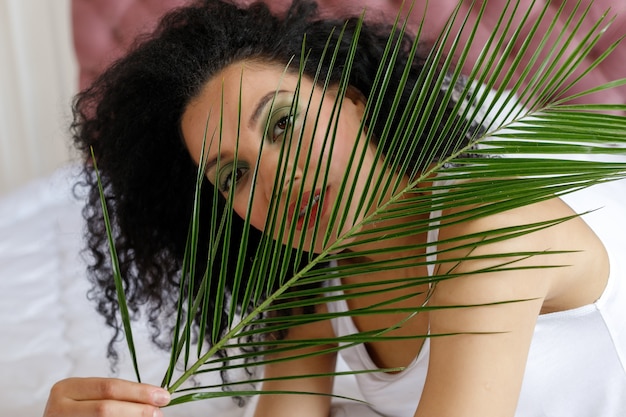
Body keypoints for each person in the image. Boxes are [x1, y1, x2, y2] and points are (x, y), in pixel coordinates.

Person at [44, 0, 626, 416]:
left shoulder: (492, 228)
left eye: (283, 123)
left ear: (350, 99)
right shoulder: (313, 294)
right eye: (235, 175)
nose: (276, 178)